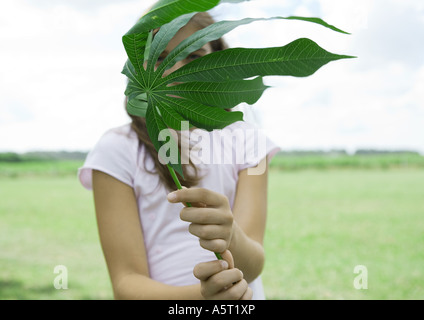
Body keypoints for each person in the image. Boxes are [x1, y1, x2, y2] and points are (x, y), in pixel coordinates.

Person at [78, 11, 280, 300]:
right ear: (138, 67)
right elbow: (126, 283)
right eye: (160, 57)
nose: (175, 68)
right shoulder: (117, 148)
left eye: (195, 57)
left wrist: (230, 234)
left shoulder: (249, 141)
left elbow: (253, 264)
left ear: (220, 64)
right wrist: (202, 298)